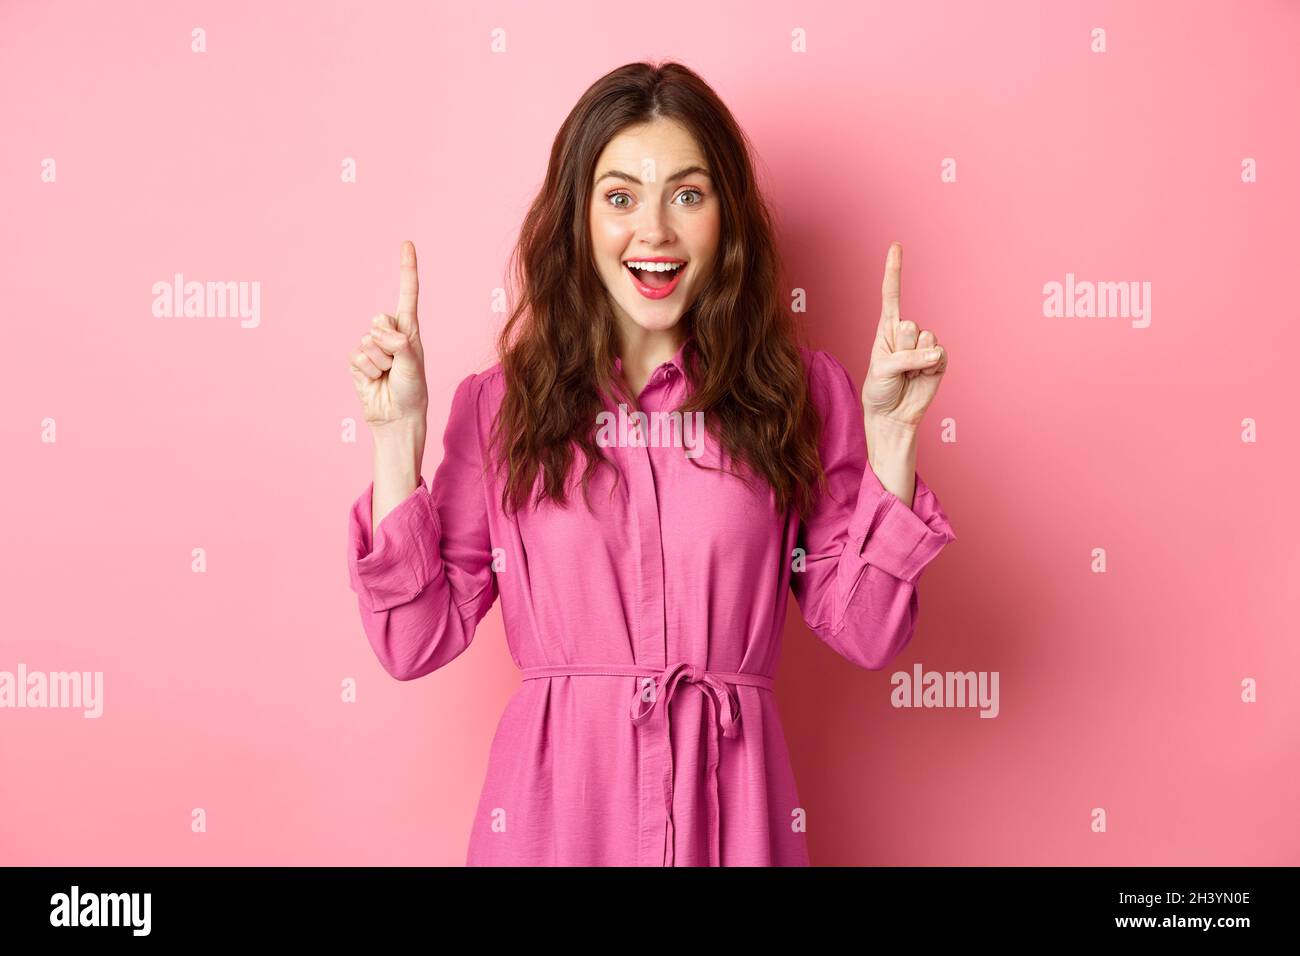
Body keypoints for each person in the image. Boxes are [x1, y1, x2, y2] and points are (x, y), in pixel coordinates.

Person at [345, 60, 956, 866]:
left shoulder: (801, 393)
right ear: (578, 219)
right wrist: (398, 441)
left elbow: (869, 633)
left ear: (727, 218)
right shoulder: (499, 406)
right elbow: (412, 641)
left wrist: (893, 440)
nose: (656, 232)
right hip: (556, 825)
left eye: (689, 194)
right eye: (621, 196)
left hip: (731, 820)